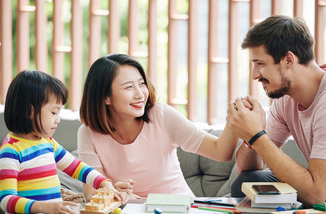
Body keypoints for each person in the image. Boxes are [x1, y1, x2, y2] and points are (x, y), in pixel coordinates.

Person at [77, 53, 239, 199]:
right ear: (106, 97)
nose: (140, 94)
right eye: (129, 87)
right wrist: (111, 192)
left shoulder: (162, 116)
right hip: (129, 210)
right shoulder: (88, 133)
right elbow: (92, 194)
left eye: (141, 84)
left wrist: (235, 118)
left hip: (178, 207)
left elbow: (221, 152)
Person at [227, 15, 326, 206]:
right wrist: (253, 132)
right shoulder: (286, 100)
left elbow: (320, 196)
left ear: (288, 60)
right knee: (246, 181)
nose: (255, 75)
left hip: (322, 193)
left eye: (260, 64)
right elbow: (248, 167)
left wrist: (257, 135)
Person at [0, 70, 127, 214]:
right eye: (53, 113)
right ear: (29, 111)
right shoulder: (11, 151)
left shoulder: (48, 143)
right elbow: (7, 200)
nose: (58, 119)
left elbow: (77, 168)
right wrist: (45, 207)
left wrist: (104, 183)